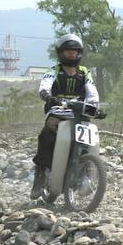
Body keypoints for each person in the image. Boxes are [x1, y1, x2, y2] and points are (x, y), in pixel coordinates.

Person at [30, 34, 99, 200]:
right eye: (68, 51)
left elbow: (92, 92)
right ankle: (40, 176)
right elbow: (44, 86)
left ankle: (88, 172)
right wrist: (48, 96)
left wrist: (95, 106)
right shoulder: (53, 71)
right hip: (57, 112)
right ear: (61, 53)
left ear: (79, 53)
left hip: (79, 114)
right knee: (46, 135)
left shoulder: (85, 73)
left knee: (89, 141)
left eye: (74, 51)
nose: (71, 54)